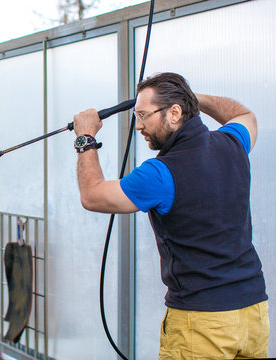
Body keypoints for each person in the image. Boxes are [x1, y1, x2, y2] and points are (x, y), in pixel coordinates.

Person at [72, 72, 269, 359]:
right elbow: (244, 114)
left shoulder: (160, 174)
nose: (138, 125)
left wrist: (85, 137)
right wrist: (193, 100)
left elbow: (92, 195)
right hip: (253, 314)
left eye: (143, 115)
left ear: (175, 112)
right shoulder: (233, 144)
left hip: (202, 323)